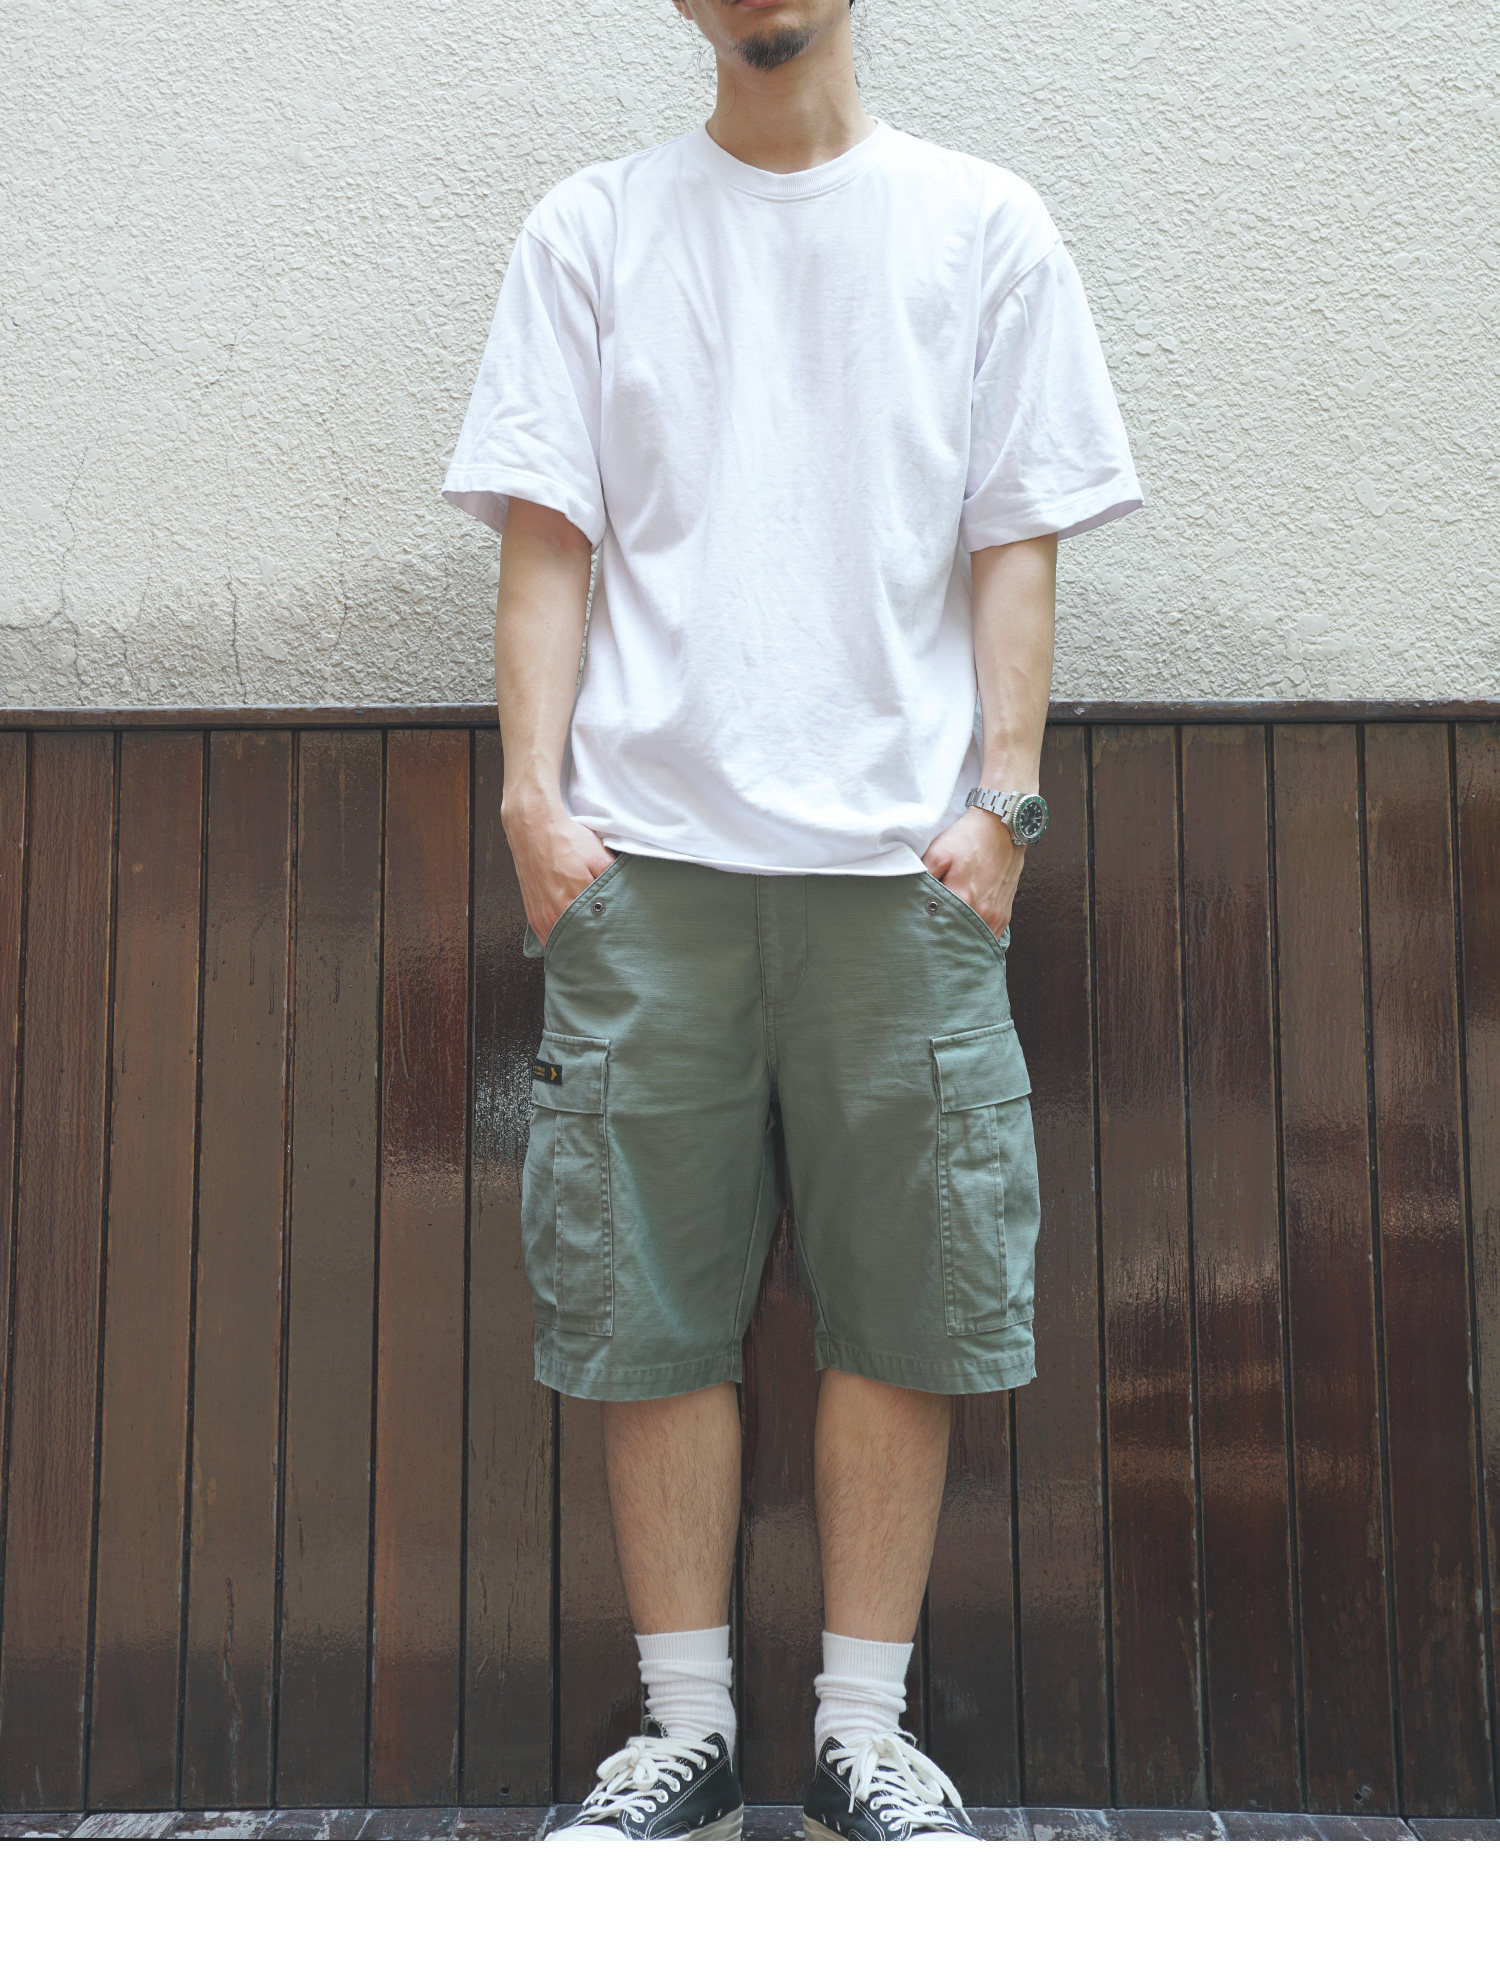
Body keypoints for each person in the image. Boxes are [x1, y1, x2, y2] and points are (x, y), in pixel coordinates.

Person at [442, 0, 1141, 1843]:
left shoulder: (984, 225)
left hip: (905, 874)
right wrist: (531, 803)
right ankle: (681, 1736)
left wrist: (1004, 805)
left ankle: (860, 1736)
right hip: (643, 863)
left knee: (906, 1302)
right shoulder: (592, 228)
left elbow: (1016, 534)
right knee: (642, 1304)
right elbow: (546, 532)